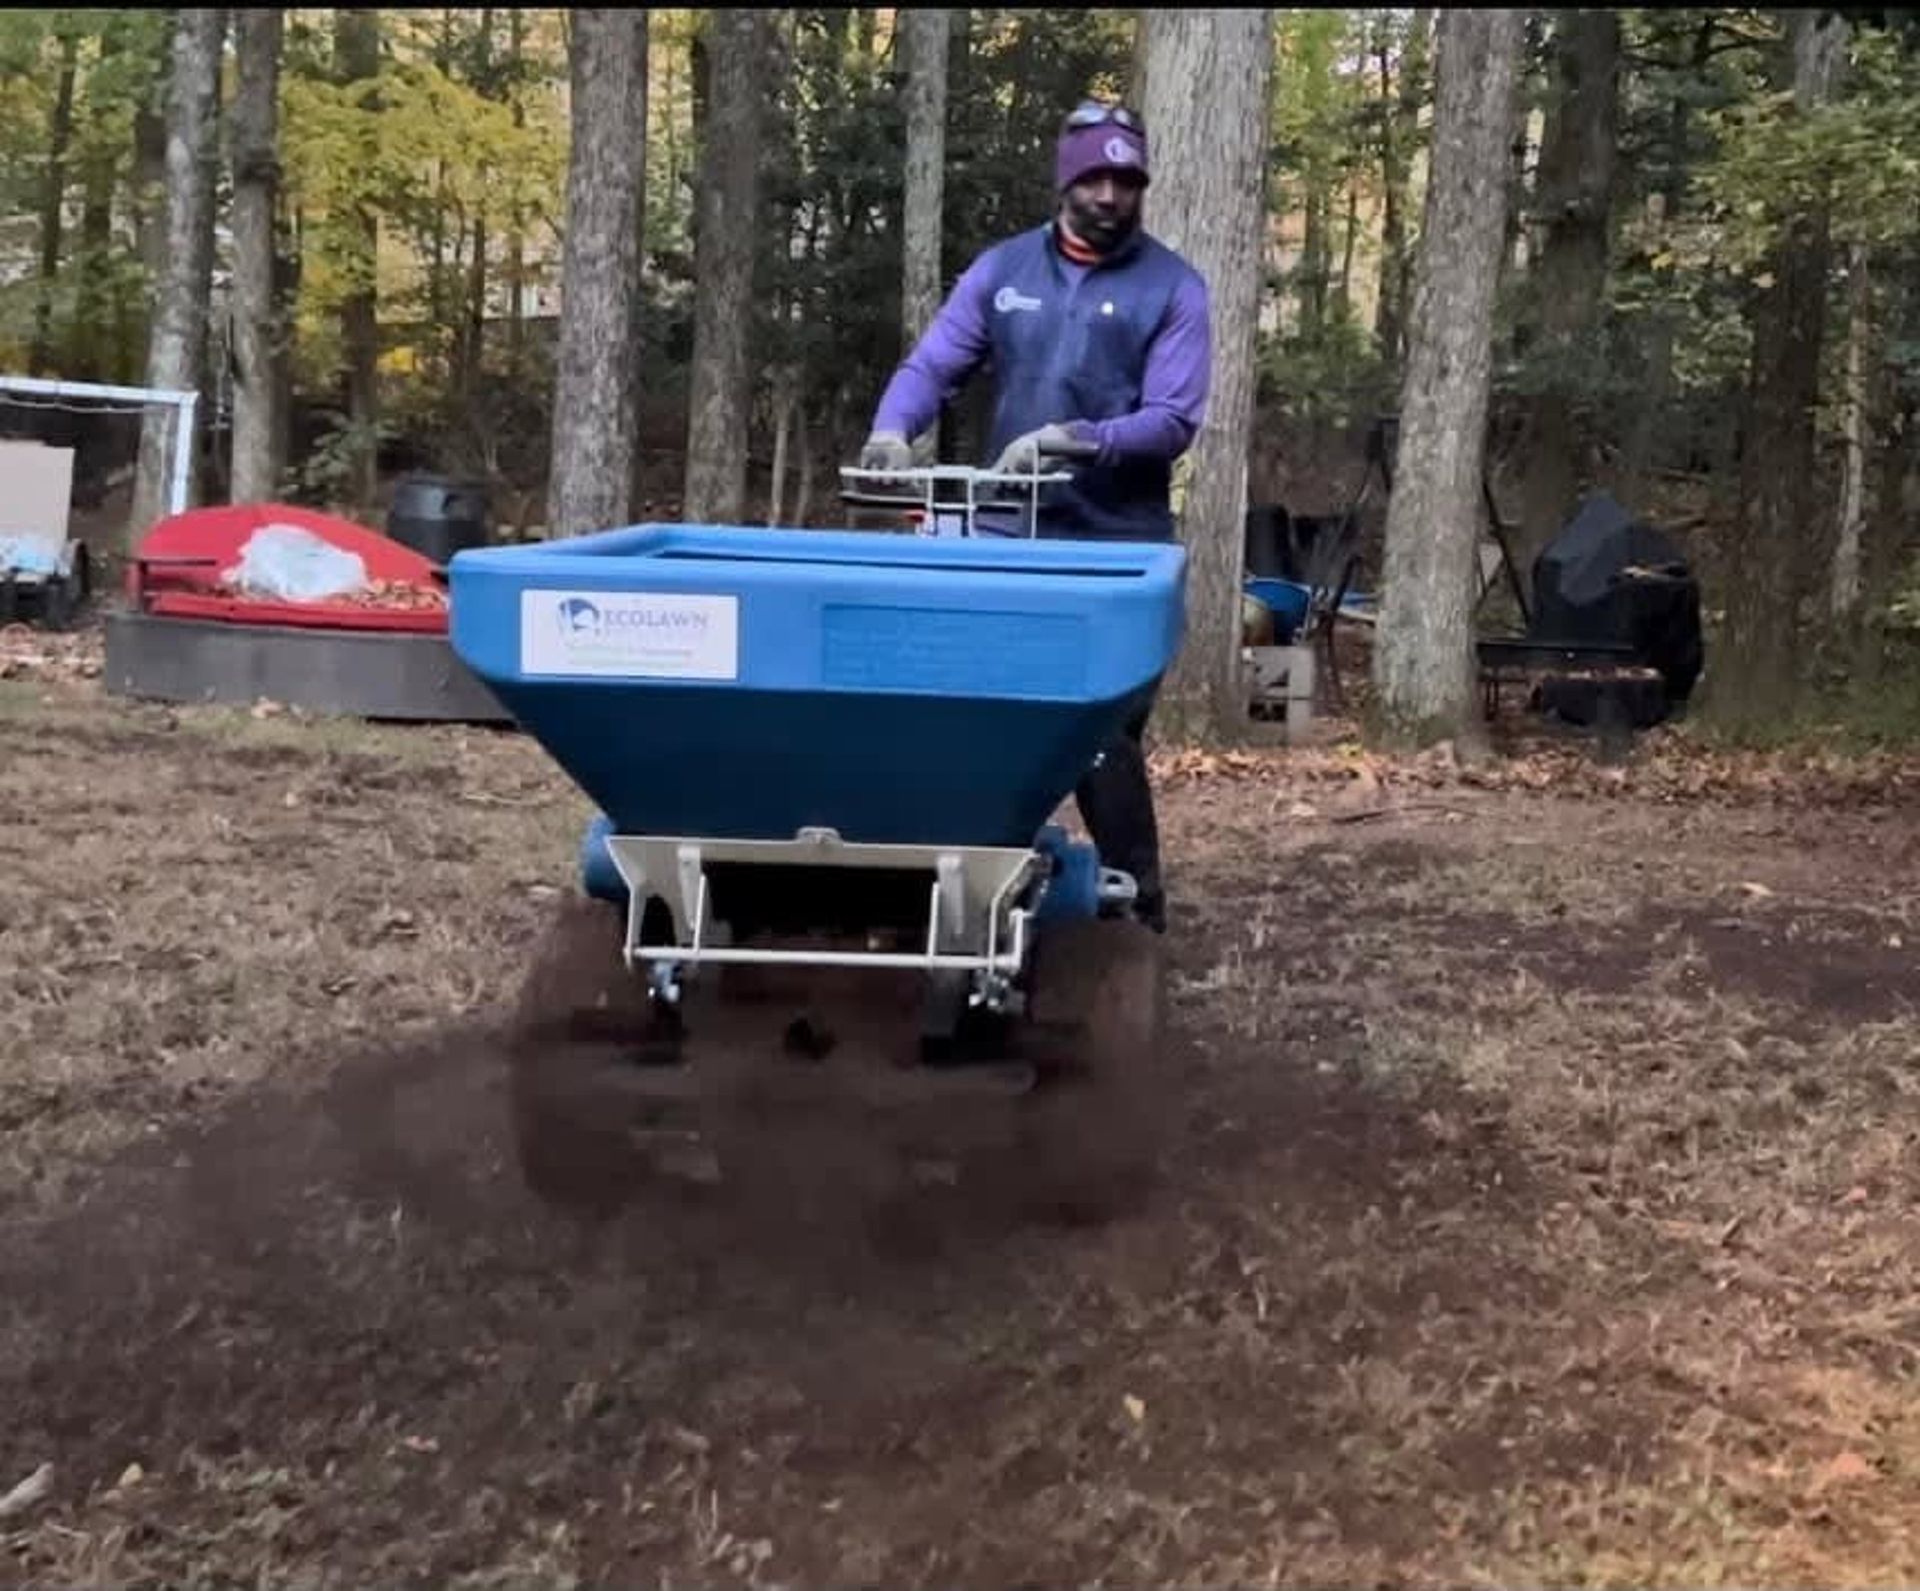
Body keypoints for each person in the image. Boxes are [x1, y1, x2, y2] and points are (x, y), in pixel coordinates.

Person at [857, 100, 1212, 934]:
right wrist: (888, 428)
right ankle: (960, 896)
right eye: (1096, 176)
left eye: (1128, 181)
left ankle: (1136, 913)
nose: (1112, 196)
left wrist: (1075, 440)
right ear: (1066, 178)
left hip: (1116, 554)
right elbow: (934, 363)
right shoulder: (1002, 271)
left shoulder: (1174, 287)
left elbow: (1174, 418)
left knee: (1101, 736)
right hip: (1005, 543)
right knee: (976, 721)